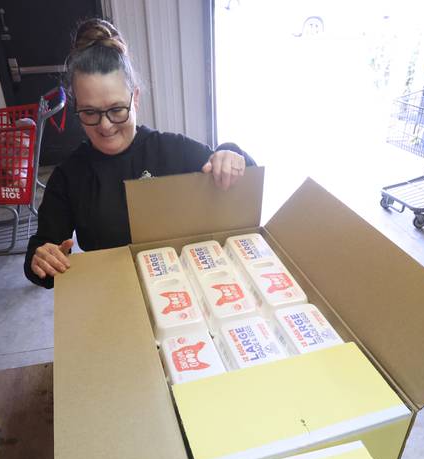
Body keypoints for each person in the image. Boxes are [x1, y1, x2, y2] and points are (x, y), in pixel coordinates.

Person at [25, 18, 256, 288]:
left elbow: (245, 180)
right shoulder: (69, 177)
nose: (105, 125)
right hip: (115, 294)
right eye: (90, 113)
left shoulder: (171, 150)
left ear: (135, 98)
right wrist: (42, 259)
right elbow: (39, 256)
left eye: (116, 109)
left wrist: (230, 154)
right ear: (77, 108)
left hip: (185, 288)